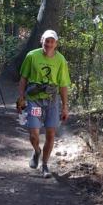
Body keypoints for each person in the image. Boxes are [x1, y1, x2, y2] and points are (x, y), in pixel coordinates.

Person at [16, 29, 70, 178]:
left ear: (56, 44)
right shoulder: (32, 56)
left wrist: (65, 106)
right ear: (42, 41)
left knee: (51, 133)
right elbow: (23, 79)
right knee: (34, 133)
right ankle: (37, 151)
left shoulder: (60, 60)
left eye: (52, 41)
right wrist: (21, 97)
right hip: (34, 101)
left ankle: (45, 165)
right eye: (47, 41)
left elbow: (63, 84)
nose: (49, 44)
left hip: (52, 101)